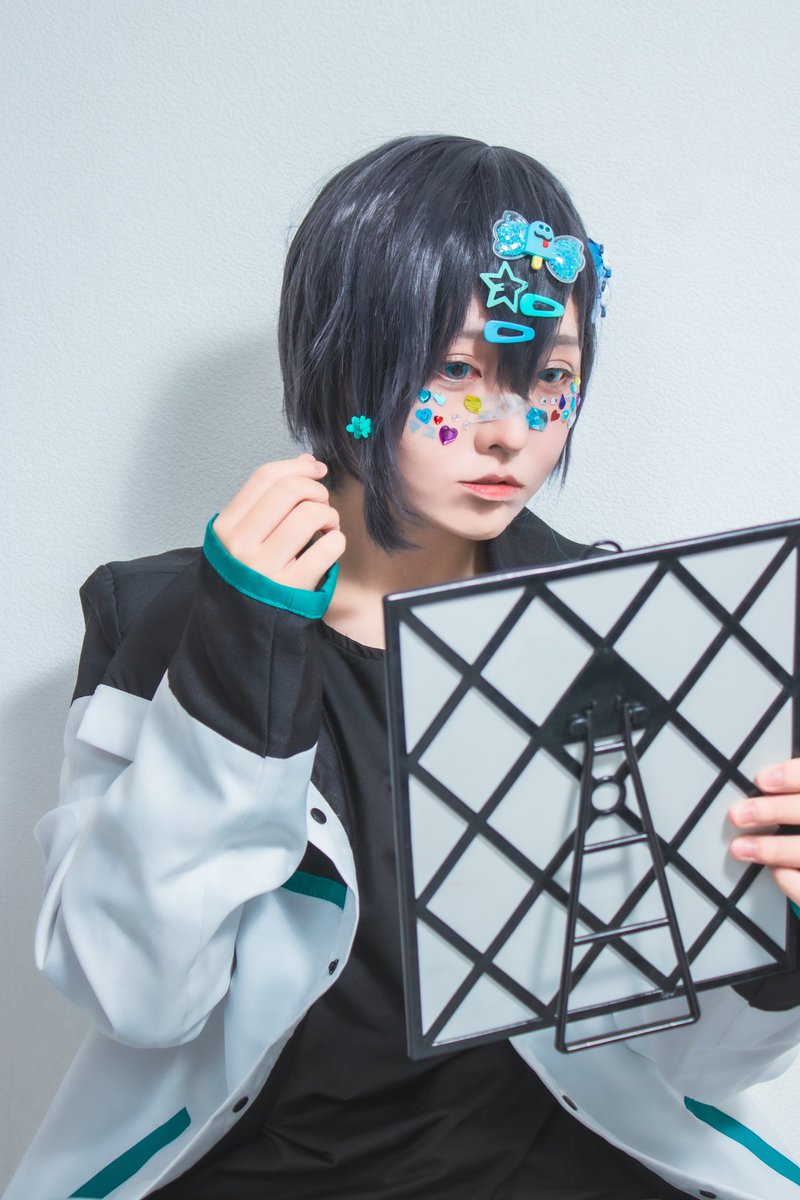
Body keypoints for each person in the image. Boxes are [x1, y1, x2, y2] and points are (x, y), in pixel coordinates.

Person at [5, 135, 800, 1200]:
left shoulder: (619, 632)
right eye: (459, 371)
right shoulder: (160, 620)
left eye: (548, 376)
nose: (510, 431)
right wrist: (242, 650)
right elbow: (134, 994)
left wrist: (778, 932)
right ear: (344, 359)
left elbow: (692, 1066)